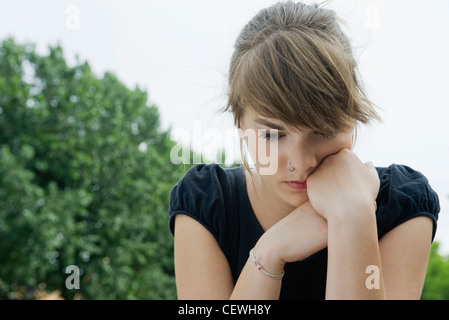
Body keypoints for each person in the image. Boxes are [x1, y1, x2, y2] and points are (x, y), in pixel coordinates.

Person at [168, 1, 440, 300]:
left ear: (351, 119)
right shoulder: (207, 203)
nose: (300, 162)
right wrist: (269, 254)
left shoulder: (400, 205)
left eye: (323, 130)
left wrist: (352, 217)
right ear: (238, 121)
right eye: (272, 134)